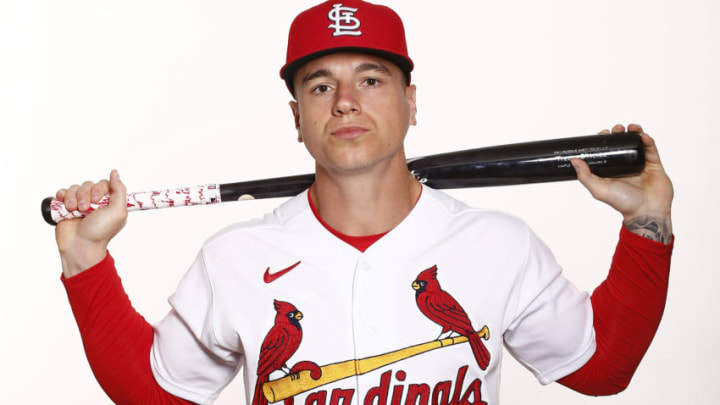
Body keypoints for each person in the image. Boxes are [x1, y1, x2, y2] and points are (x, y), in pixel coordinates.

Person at [55, 1, 674, 404]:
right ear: (298, 118)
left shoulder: (499, 243)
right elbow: (160, 393)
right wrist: (86, 261)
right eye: (321, 85)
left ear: (411, 101)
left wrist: (648, 223)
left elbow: (600, 369)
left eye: (371, 79)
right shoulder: (236, 257)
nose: (345, 100)